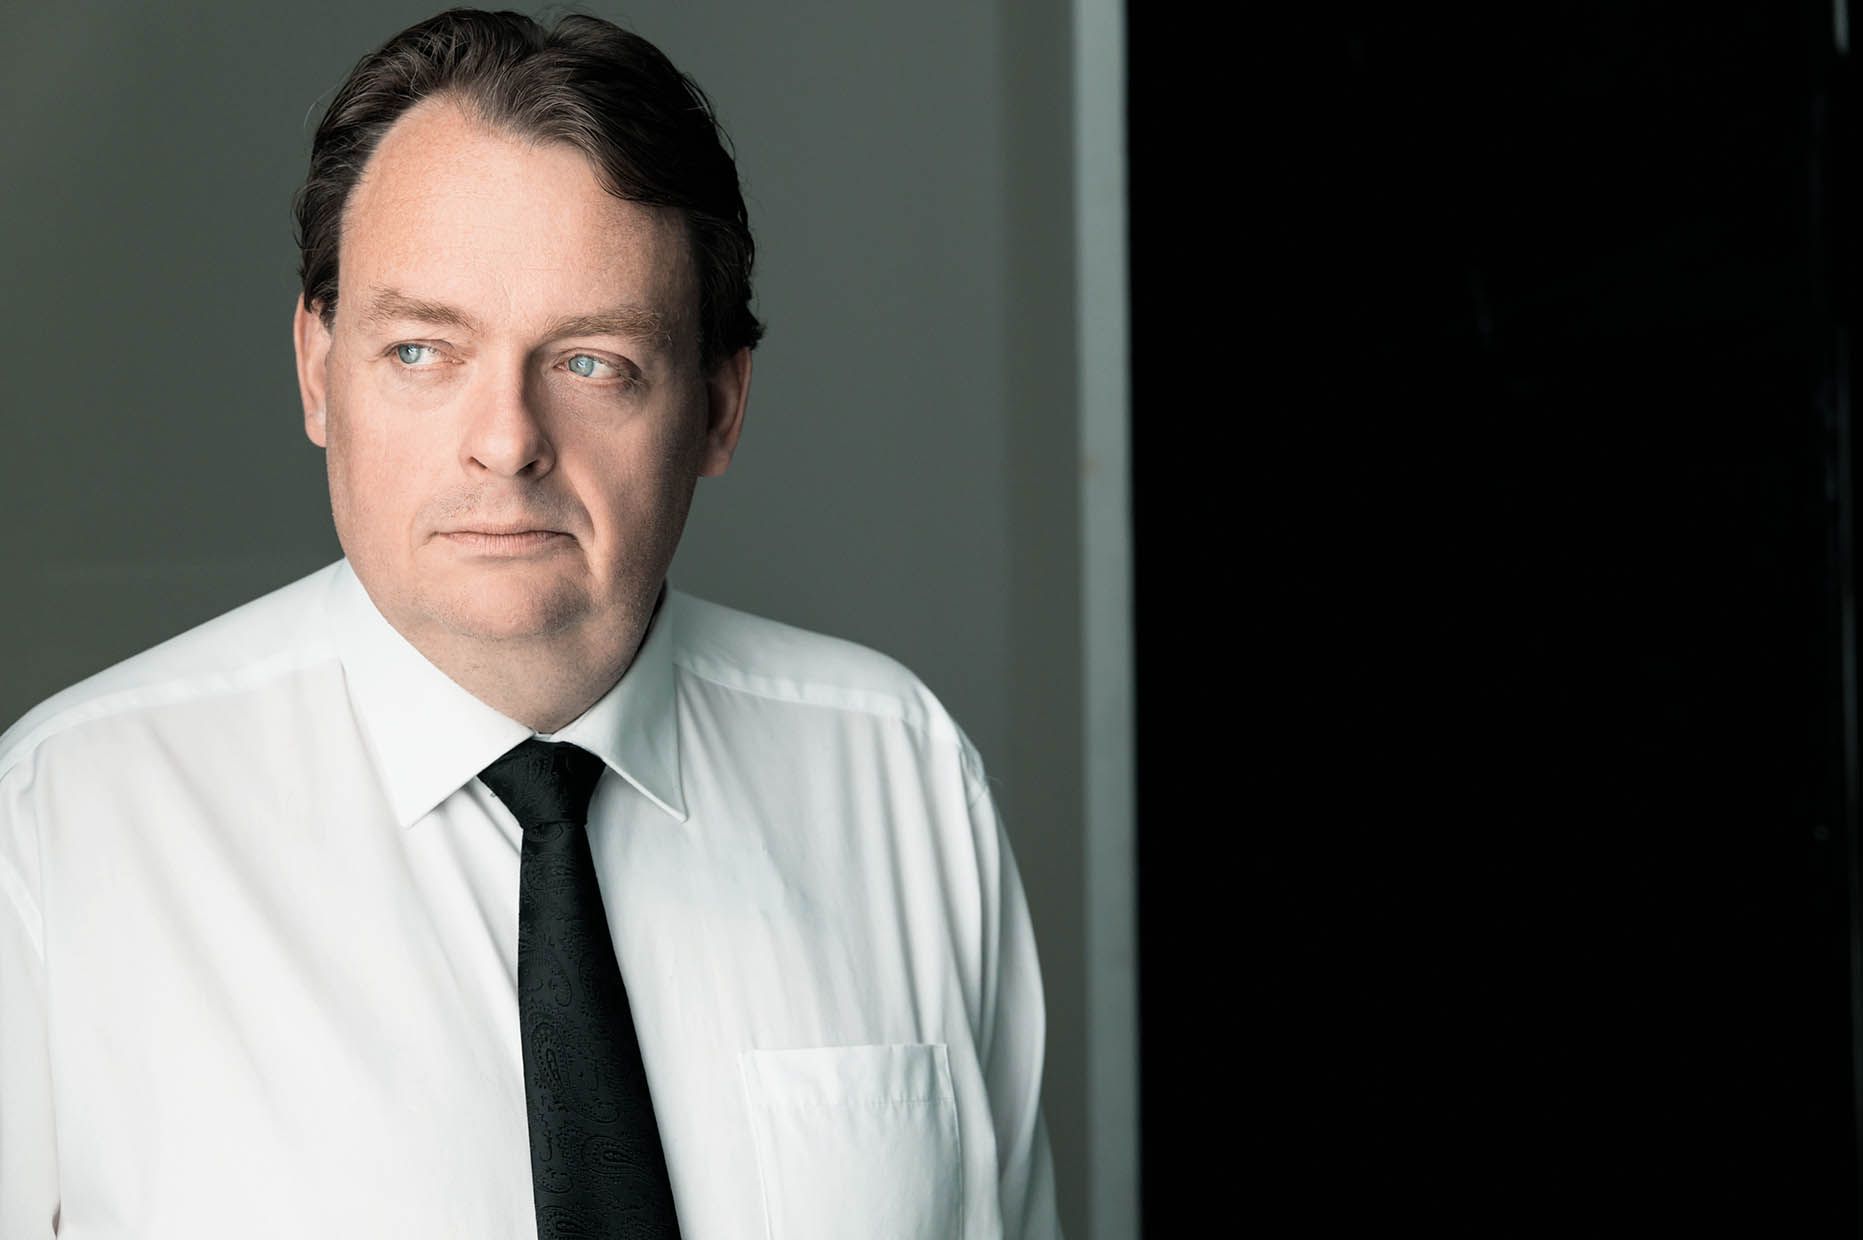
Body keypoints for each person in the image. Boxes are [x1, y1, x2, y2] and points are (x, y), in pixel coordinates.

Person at [0, 9, 1062, 1238]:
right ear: (316, 371)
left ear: (720, 407)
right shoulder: (61, 830)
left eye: (592, 361)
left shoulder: (898, 774)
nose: (506, 441)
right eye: (421, 350)